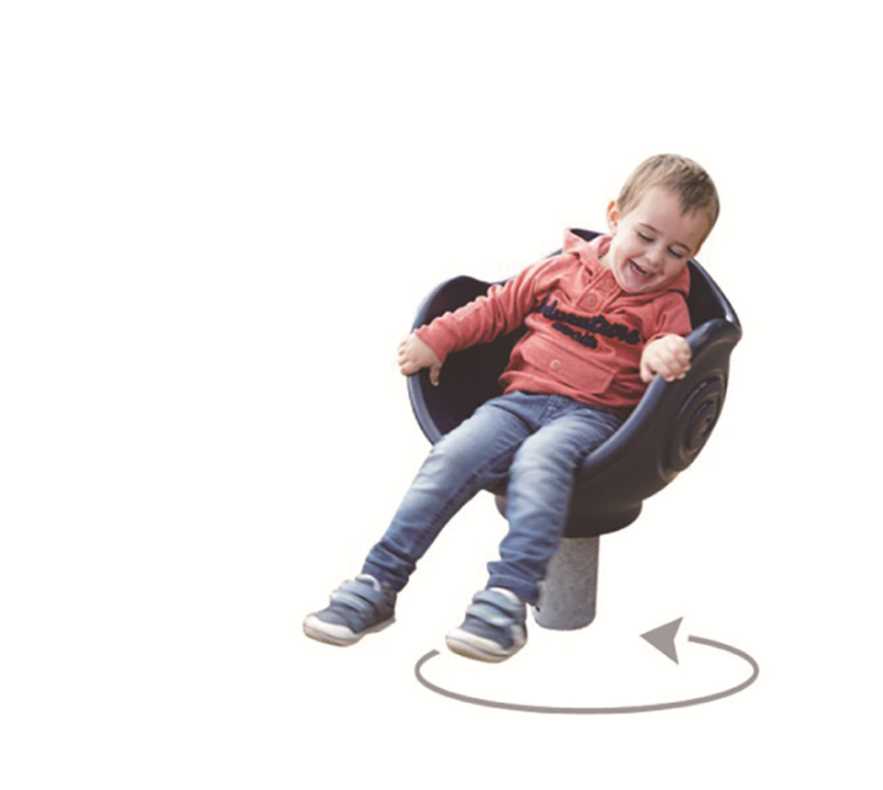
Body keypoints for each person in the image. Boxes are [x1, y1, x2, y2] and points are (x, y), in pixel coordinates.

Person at [303, 154, 721, 662]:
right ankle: (376, 583)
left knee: (540, 462)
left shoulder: (667, 306)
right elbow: (497, 307)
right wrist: (438, 339)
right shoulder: (560, 269)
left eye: (677, 252)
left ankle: (504, 601)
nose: (655, 259)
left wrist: (664, 353)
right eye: (646, 236)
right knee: (451, 456)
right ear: (615, 216)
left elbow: (668, 349)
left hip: (591, 419)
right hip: (517, 403)